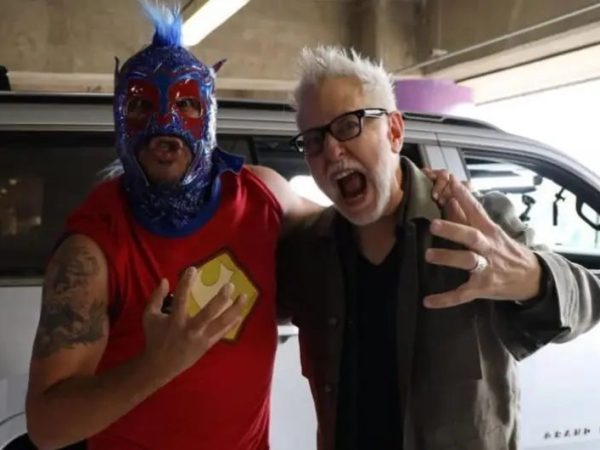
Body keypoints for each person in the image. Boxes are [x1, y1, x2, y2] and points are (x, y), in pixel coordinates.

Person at [24, 4, 326, 450]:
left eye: (186, 103)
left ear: (210, 113)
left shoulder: (263, 197)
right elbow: (48, 428)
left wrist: (419, 192)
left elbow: (345, 229)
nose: (164, 123)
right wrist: (159, 364)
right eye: (141, 105)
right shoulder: (92, 251)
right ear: (120, 118)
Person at [277, 46, 600, 450]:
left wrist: (532, 277)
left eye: (347, 126)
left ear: (394, 131)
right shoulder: (311, 250)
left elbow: (589, 301)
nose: (331, 150)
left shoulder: (475, 227)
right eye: (313, 140)